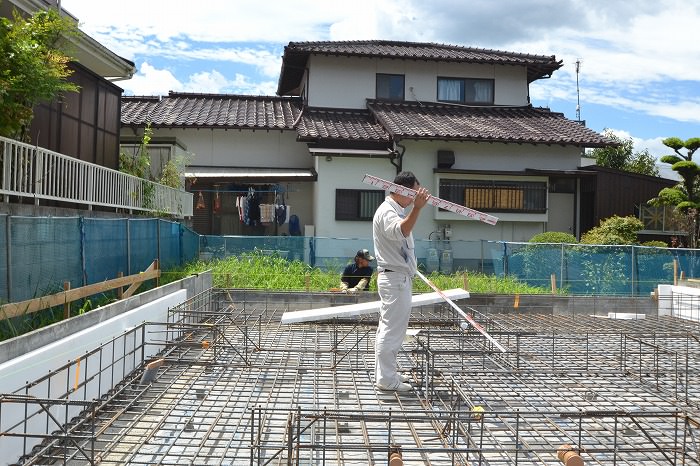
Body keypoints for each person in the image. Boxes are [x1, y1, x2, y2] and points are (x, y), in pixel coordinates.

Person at [372, 171, 430, 392]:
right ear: (401, 191)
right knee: (391, 331)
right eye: (413, 194)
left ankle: (387, 374)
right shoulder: (387, 212)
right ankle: (386, 380)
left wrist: (414, 208)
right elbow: (402, 230)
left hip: (397, 277)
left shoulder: (395, 210)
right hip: (394, 279)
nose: (415, 199)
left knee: (390, 329)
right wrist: (417, 209)